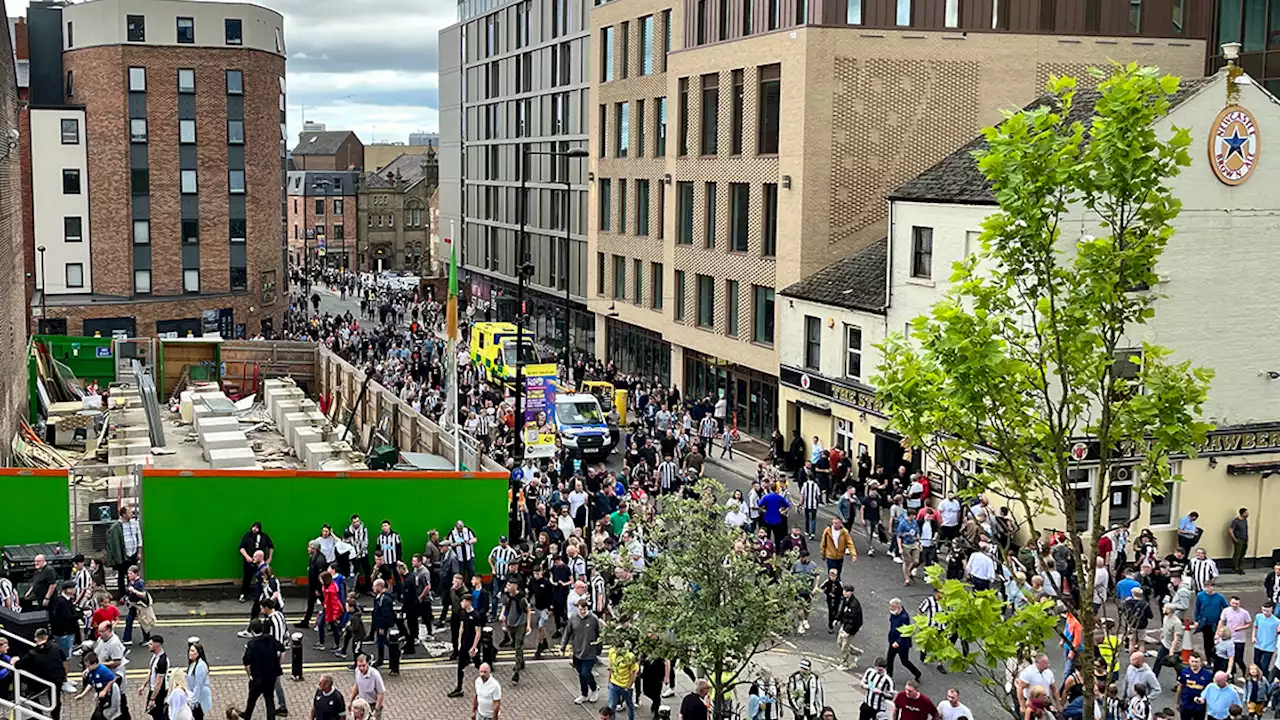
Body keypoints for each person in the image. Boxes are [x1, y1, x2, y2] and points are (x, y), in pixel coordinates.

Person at [17, 629, 67, 720]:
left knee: (30, 694)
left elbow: (18, 665)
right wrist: (64, 676)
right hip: (57, 679)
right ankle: (56, 717)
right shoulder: (57, 647)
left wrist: (15, 661)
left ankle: (39, 714)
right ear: (46, 637)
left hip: (41, 681)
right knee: (55, 699)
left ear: (36, 639)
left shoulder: (32, 653)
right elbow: (64, 661)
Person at [242, 619, 286, 720]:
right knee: (269, 700)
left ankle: (247, 715)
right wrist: (278, 665)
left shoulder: (252, 644)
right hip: (270, 676)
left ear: (252, 631)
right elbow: (282, 650)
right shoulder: (271, 639)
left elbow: (246, 662)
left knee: (252, 699)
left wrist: (250, 675)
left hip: (257, 678)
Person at [561, 598, 602, 704]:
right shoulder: (573, 618)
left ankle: (594, 689)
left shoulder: (593, 619)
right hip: (577, 652)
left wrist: (599, 649)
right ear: (577, 608)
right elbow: (567, 632)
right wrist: (563, 646)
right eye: (580, 609)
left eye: (584, 609)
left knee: (585, 673)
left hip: (590, 652)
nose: (583, 612)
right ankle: (584, 694)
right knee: (581, 674)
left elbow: (599, 635)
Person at [446, 595, 484, 699]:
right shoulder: (463, 613)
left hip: (472, 645)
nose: (461, 603)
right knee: (460, 667)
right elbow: (462, 627)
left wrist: (474, 646)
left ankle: (487, 682)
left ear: (468, 602)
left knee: (478, 665)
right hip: (464, 644)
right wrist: (459, 642)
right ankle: (459, 689)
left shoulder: (476, 615)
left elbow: (478, 633)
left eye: (463, 601)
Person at [106, 504, 142, 599]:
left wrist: (139, 552)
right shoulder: (117, 526)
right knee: (121, 574)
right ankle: (122, 593)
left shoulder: (135, 523)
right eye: (129, 513)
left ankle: (133, 592)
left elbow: (139, 538)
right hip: (123, 554)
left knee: (133, 573)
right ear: (123, 515)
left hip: (133, 552)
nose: (131, 514)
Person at [75, 650, 124, 720]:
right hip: (101, 697)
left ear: (94, 663)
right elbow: (91, 684)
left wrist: (104, 690)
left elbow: (112, 679)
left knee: (106, 715)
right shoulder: (91, 671)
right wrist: (82, 694)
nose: (87, 668)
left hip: (111, 694)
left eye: (88, 666)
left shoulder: (103, 670)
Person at [499, 579, 531, 683]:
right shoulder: (507, 596)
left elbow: (528, 611)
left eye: (510, 585)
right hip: (510, 624)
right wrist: (502, 614)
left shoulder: (521, 598)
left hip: (520, 625)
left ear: (515, 586)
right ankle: (521, 661)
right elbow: (505, 606)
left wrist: (528, 625)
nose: (508, 587)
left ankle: (516, 672)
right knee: (514, 644)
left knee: (517, 646)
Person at [50, 581, 80, 688]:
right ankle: (64, 681)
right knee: (65, 658)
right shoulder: (61, 602)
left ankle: (66, 677)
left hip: (68, 633)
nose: (74, 590)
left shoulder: (67, 601)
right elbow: (67, 618)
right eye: (72, 588)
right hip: (64, 634)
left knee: (67, 657)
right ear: (66, 590)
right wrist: (81, 615)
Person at [886, 598, 922, 684]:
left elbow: (905, 631)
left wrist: (898, 642)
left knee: (904, 661)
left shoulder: (904, 617)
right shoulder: (894, 613)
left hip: (902, 644)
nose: (890, 608)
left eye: (892, 606)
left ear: (898, 606)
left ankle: (917, 673)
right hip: (893, 640)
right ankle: (888, 676)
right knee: (890, 658)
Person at [238, 523, 274, 603]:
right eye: (253, 527)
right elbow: (241, 548)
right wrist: (247, 557)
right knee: (247, 579)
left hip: (261, 564)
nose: (254, 529)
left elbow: (271, 546)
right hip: (249, 562)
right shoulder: (247, 536)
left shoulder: (264, 536)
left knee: (264, 579)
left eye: (256, 528)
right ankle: (243, 594)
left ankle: (266, 595)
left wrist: (269, 558)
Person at [138, 635, 169, 720]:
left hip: (159, 692)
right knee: (153, 713)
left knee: (158, 715)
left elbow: (159, 683)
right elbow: (151, 672)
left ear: (157, 645)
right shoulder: (155, 656)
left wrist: (152, 699)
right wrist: (143, 685)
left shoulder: (162, 661)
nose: (148, 645)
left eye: (151, 644)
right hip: (153, 690)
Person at [608, 643, 640, 720]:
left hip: (625, 686)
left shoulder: (630, 656)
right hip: (614, 683)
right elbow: (611, 667)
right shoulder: (612, 652)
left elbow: (634, 672)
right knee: (612, 706)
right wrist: (609, 681)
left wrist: (629, 686)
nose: (615, 650)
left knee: (629, 704)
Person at [1176, 654, 1212, 720]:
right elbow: (1179, 688)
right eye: (1192, 661)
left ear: (1200, 662)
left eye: (1196, 662)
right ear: (1189, 661)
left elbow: (1210, 692)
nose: (1194, 664)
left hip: (1200, 707)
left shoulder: (1208, 675)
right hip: (1186, 705)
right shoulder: (1183, 672)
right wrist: (1177, 702)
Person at [350, 654, 385, 720]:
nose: (361, 668)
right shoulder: (357, 671)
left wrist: (376, 710)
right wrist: (351, 701)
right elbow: (357, 685)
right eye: (359, 666)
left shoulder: (375, 675)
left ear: (368, 664)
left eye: (363, 665)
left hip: (372, 705)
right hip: (361, 704)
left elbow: (380, 693)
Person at [370, 578, 395, 668]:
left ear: (379, 587)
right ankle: (381, 659)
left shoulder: (384, 599)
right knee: (381, 640)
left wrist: (382, 627)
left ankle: (381, 659)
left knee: (381, 641)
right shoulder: (379, 597)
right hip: (378, 623)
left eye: (374, 586)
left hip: (382, 625)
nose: (373, 588)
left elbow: (386, 614)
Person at [187, 641, 212, 720]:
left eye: (192, 651)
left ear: (198, 653)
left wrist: (193, 701)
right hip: (193, 696)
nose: (190, 653)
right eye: (190, 650)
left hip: (198, 699)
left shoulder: (200, 666)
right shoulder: (193, 663)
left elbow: (198, 685)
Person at [1228, 508, 1249, 575]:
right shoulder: (1236, 521)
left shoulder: (1245, 520)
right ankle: (1235, 567)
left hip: (1245, 539)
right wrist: (1234, 539)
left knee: (1242, 553)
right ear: (1242, 513)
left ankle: (1240, 567)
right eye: (1246, 512)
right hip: (1239, 539)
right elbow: (1230, 530)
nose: (1247, 514)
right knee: (1237, 554)